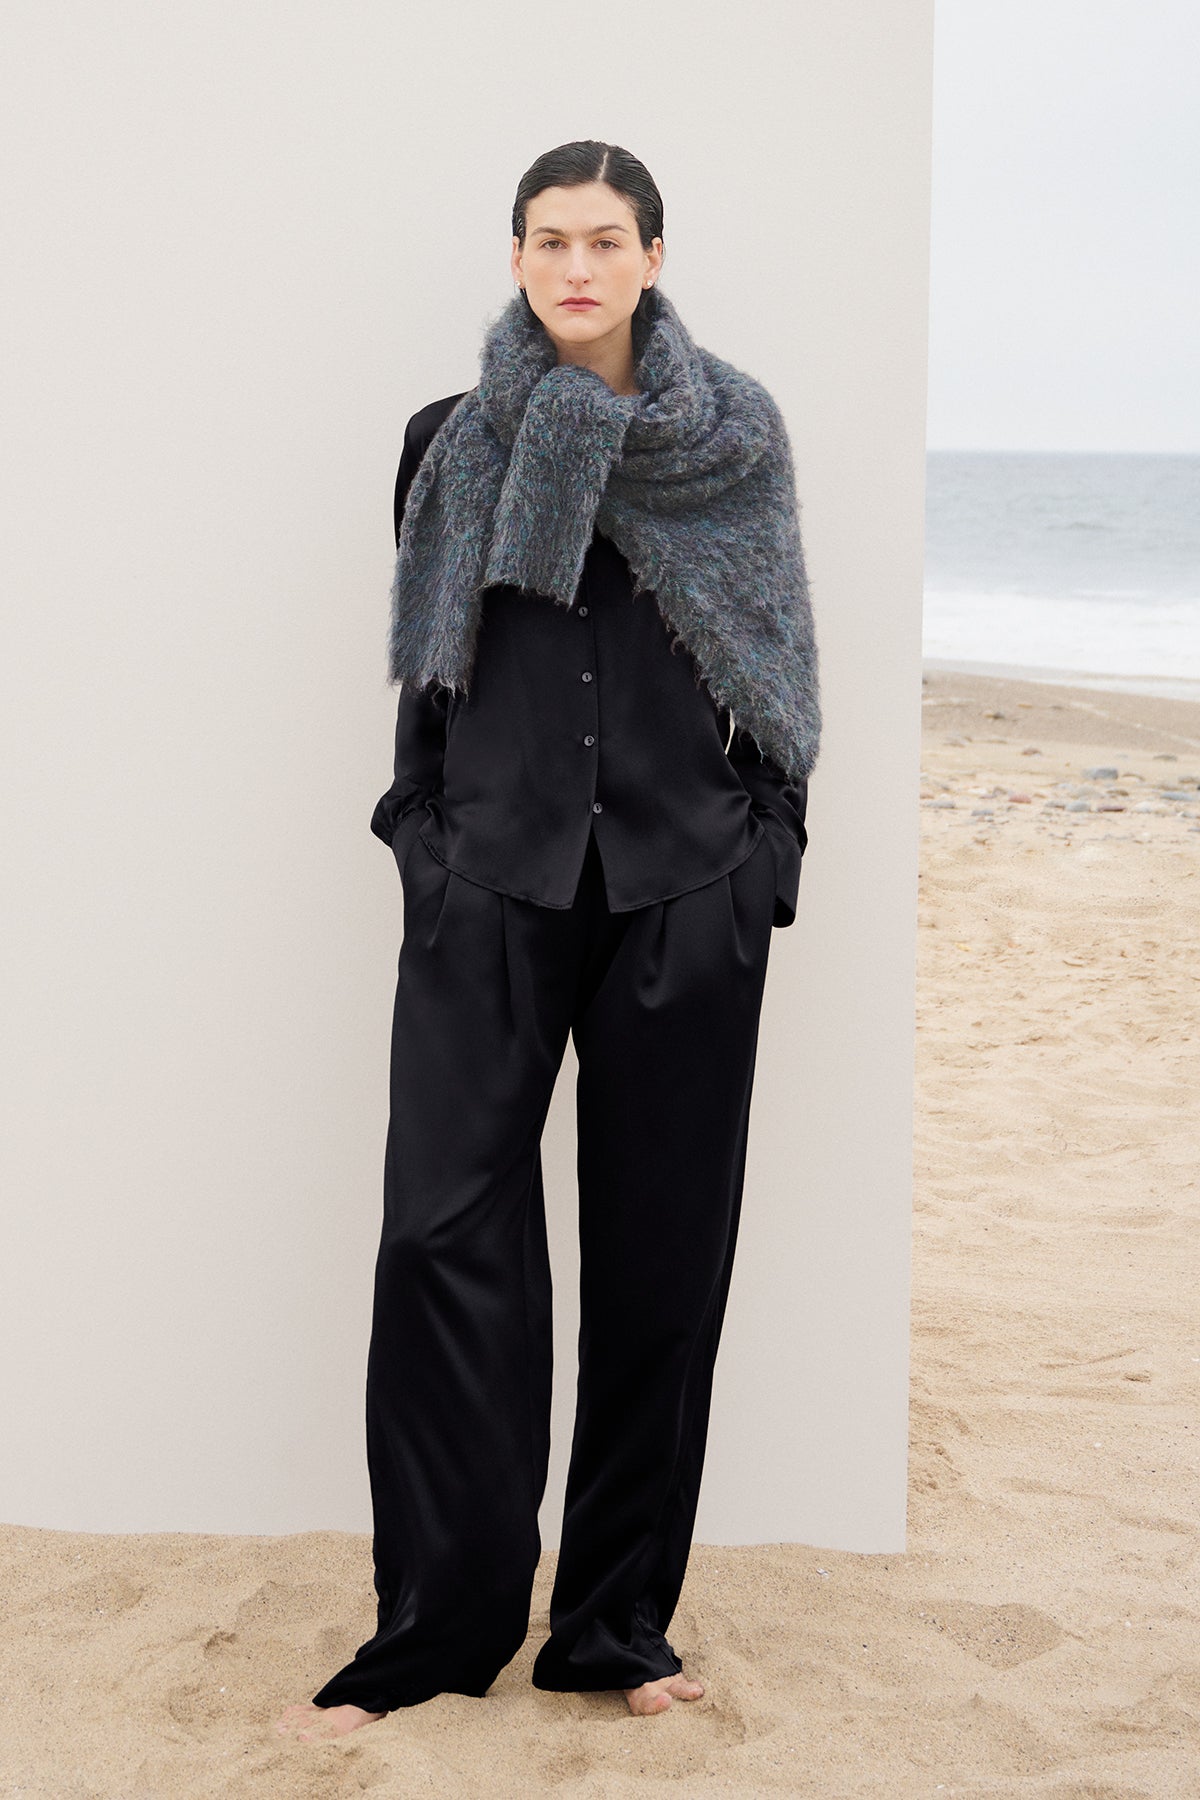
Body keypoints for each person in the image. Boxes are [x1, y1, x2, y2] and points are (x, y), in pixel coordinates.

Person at [277, 138, 820, 1744]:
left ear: (654, 255)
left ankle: (612, 1631)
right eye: (545, 240)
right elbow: (430, 661)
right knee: (443, 1246)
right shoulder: (449, 440)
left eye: (603, 239)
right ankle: (432, 1631)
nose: (574, 265)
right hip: (490, 885)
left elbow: (778, 654)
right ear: (517, 259)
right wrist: (420, 836)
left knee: (663, 1271)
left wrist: (766, 857)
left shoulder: (734, 437)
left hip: (681, 890)